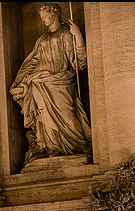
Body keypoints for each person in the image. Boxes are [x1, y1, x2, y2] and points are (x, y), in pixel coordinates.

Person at [10, 3, 91, 165]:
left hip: (61, 81)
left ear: (54, 15)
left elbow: (78, 63)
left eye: (45, 17)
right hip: (39, 82)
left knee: (67, 115)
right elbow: (32, 61)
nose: (43, 20)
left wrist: (79, 38)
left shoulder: (66, 34)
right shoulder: (43, 39)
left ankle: (75, 145)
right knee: (42, 114)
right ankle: (49, 146)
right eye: (42, 18)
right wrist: (21, 81)